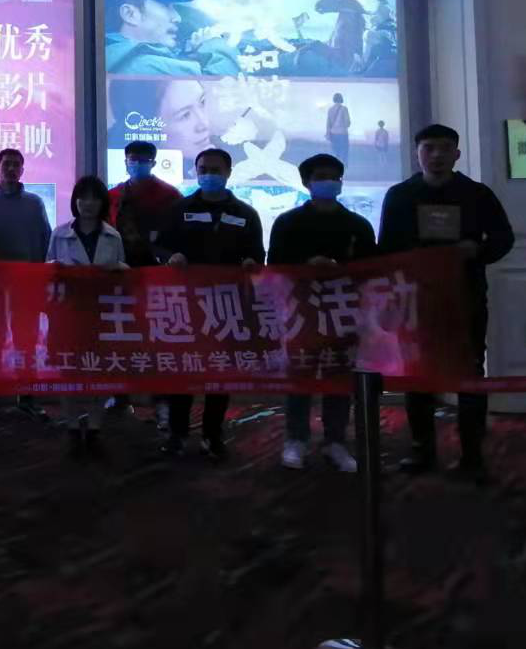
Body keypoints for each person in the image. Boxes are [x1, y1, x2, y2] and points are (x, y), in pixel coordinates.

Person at [379, 124, 515, 481]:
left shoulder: (477, 194)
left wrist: (477, 250)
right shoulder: (400, 195)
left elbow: (503, 238)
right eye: (429, 148)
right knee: (417, 372)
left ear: (457, 154)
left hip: (464, 296)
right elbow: (386, 249)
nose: (436, 155)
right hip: (415, 298)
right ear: (417, 154)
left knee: (469, 371)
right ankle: (422, 450)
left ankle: (472, 454)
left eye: (444, 148)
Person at [269, 153, 377, 474]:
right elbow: (274, 267)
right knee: (299, 376)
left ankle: (335, 441)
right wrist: (306, 267)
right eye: (320, 177)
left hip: (344, 312)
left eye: (334, 177)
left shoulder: (357, 225)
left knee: (339, 376)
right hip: (300, 311)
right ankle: (296, 439)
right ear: (306, 183)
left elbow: (372, 269)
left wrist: (340, 268)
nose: (328, 182)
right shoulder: (287, 222)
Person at [161, 147, 265, 460]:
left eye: (216, 170)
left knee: (220, 372)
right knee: (182, 370)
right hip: (186, 304)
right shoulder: (179, 209)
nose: (209, 175)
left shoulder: (245, 213)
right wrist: (170, 257)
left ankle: (212, 434)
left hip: (227, 306)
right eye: (203, 169)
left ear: (228, 173)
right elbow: (161, 247)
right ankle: (177, 434)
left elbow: (258, 254)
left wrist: (251, 263)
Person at [46, 175, 127, 459]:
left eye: (94, 197)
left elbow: (124, 275)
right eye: (83, 197)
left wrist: (120, 269)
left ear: (102, 202)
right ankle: (71, 427)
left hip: (101, 314)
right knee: (69, 371)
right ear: (75, 201)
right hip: (68, 313)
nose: (88, 203)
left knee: (100, 371)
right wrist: (55, 268)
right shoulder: (59, 234)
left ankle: (93, 428)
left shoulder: (113, 236)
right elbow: (47, 271)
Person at [108, 140, 183, 425]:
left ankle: (161, 403)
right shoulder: (114, 195)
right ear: (125, 161)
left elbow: (178, 235)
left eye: (142, 159)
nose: (136, 163)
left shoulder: (169, 195)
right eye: (132, 159)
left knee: (157, 342)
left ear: (153, 162)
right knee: (119, 338)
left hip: (157, 279)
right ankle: (119, 397)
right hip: (119, 279)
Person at [0, 147, 53, 419]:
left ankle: (27, 397)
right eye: (6, 163)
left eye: (16, 164)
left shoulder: (34, 203)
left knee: (26, 341)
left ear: (22, 170)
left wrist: (41, 278)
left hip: (26, 283)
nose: (11, 168)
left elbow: (45, 240)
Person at [104, 0, 239, 77]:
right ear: (130, 14)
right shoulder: (144, 65)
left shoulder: (120, 59)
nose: (177, 18)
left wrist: (189, 57)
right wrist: (215, 43)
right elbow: (223, 85)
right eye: (166, 6)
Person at [326, 92, 352, 164]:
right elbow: (347, 123)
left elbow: (328, 123)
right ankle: (343, 165)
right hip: (342, 133)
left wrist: (328, 133)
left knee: (336, 151)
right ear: (341, 99)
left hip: (333, 133)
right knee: (344, 151)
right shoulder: (344, 109)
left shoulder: (330, 109)